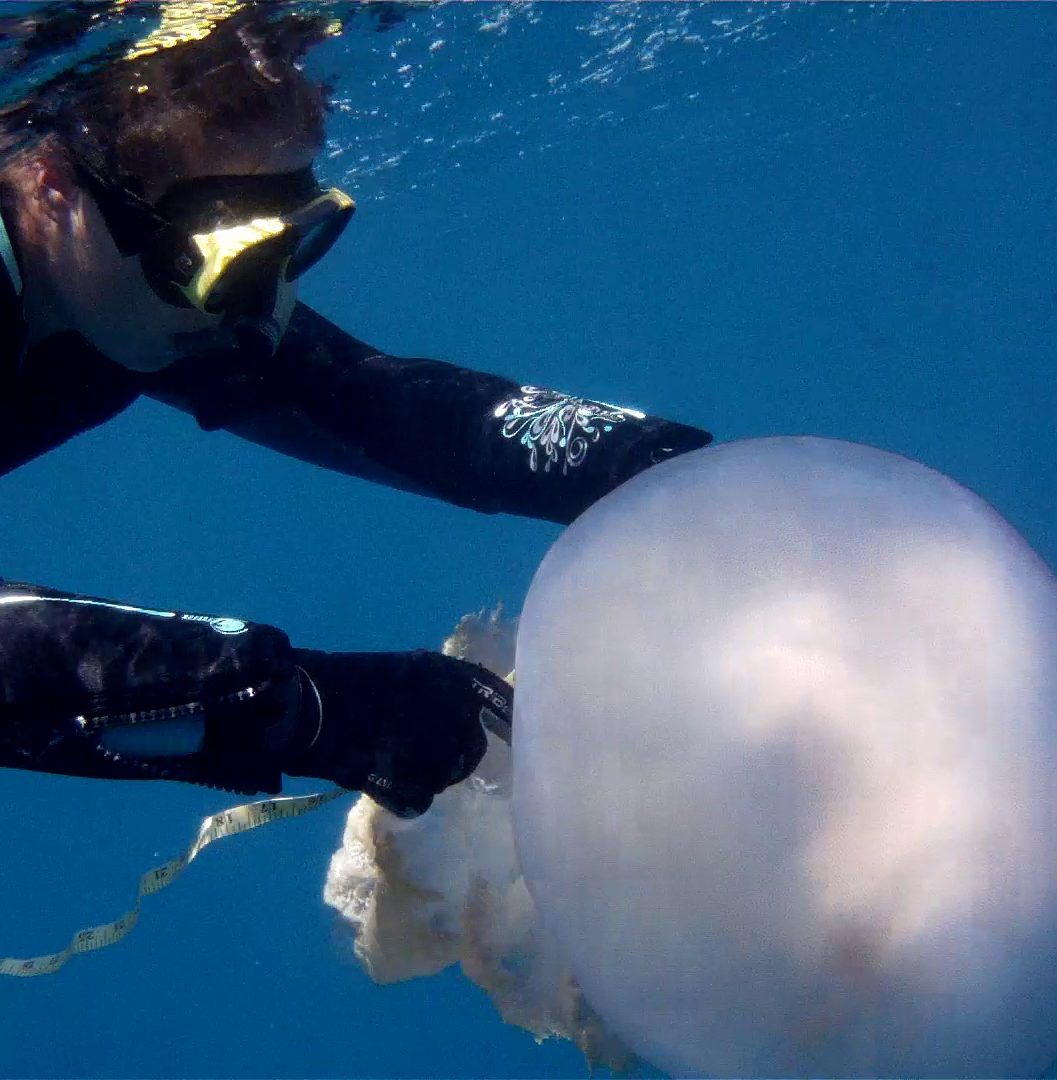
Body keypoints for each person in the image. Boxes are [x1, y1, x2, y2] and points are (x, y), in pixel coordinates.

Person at [0, 3, 712, 817]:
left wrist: (660, 473)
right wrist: (302, 708)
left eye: (288, 246)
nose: (256, 310)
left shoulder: (124, 285)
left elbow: (363, 395)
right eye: (218, 261)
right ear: (55, 187)